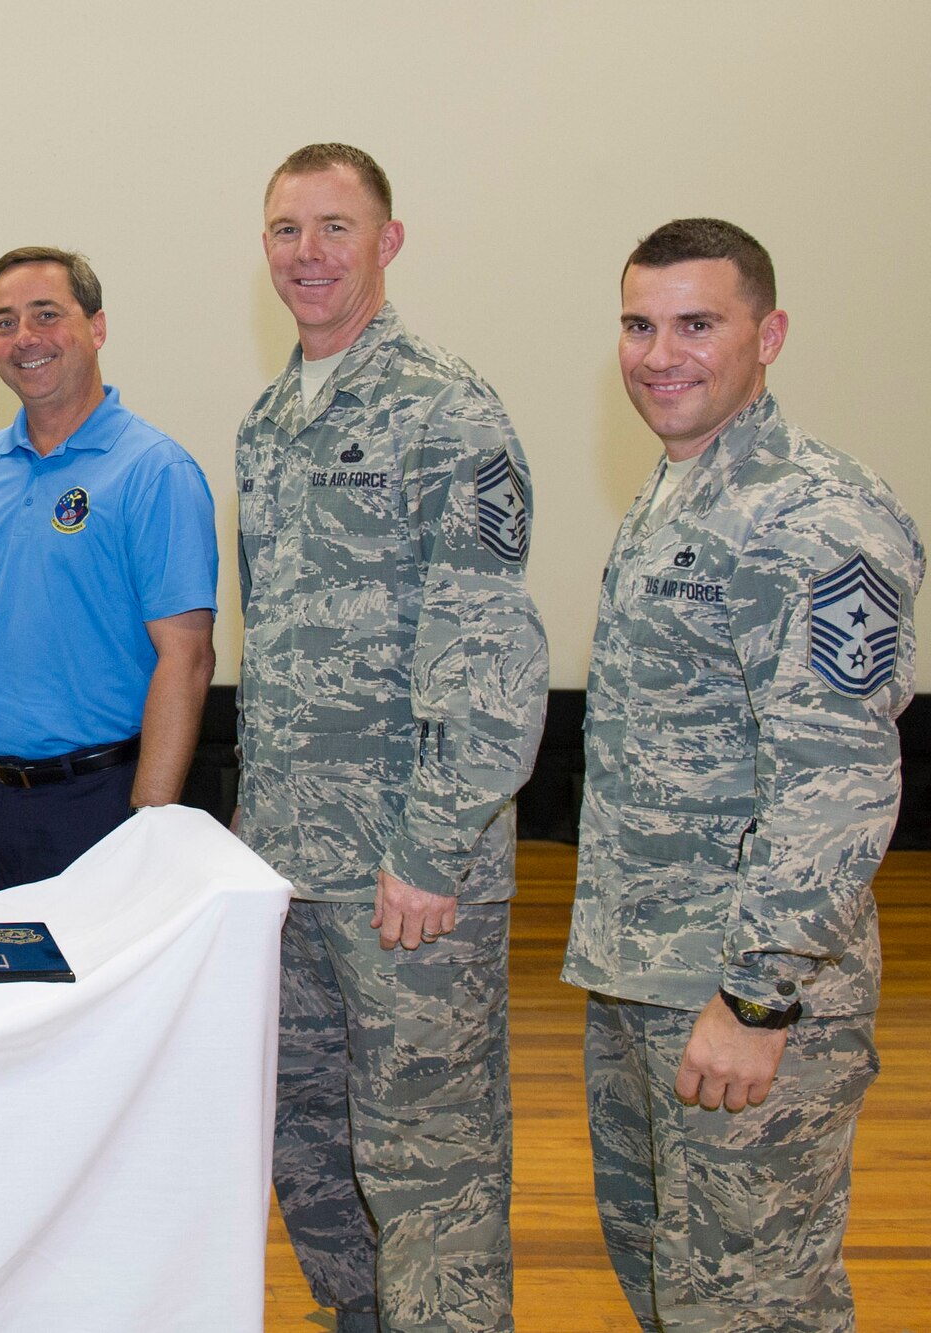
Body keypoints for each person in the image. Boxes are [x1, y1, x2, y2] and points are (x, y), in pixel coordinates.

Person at [564, 218, 922, 1332]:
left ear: (764, 335)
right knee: (672, 1281)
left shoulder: (813, 514)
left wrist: (757, 997)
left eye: (695, 324)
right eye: (637, 324)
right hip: (643, 978)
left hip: (743, 997)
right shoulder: (678, 489)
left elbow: (838, 781)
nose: (658, 353)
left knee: (751, 1304)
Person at [235, 143, 547, 1332]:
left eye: (332, 228)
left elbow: (490, 657)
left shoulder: (445, 409)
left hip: (406, 875)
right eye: (283, 230)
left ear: (386, 242)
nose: (305, 255)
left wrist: (427, 851)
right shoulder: (269, 422)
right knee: (309, 1144)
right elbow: (285, 649)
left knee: (429, 1166)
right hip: (294, 871)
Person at [0, 246, 216, 893]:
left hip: (103, 805)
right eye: (5, 321)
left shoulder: (156, 471)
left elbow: (186, 659)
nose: (25, 338)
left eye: (46, 314)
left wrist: (147, 825)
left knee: (102, 994)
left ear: (97, 327)